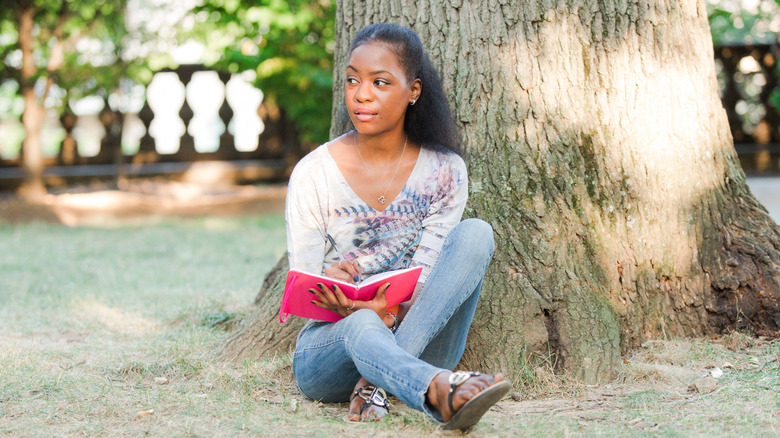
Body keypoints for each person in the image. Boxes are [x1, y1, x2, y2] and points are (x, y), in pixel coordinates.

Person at [285, 23, 510, 430]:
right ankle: (438, 391)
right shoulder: (314, 173)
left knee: (477, 232)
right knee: (364, 322)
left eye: (380, 82)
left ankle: (379, 385)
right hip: (330, 353)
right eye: (353, 79)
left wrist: (389, 315)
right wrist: (329, 286)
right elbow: (302, 293)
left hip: (420, 340)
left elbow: (427, 287)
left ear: (414, 91)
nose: (362, 94)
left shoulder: (445, 170)